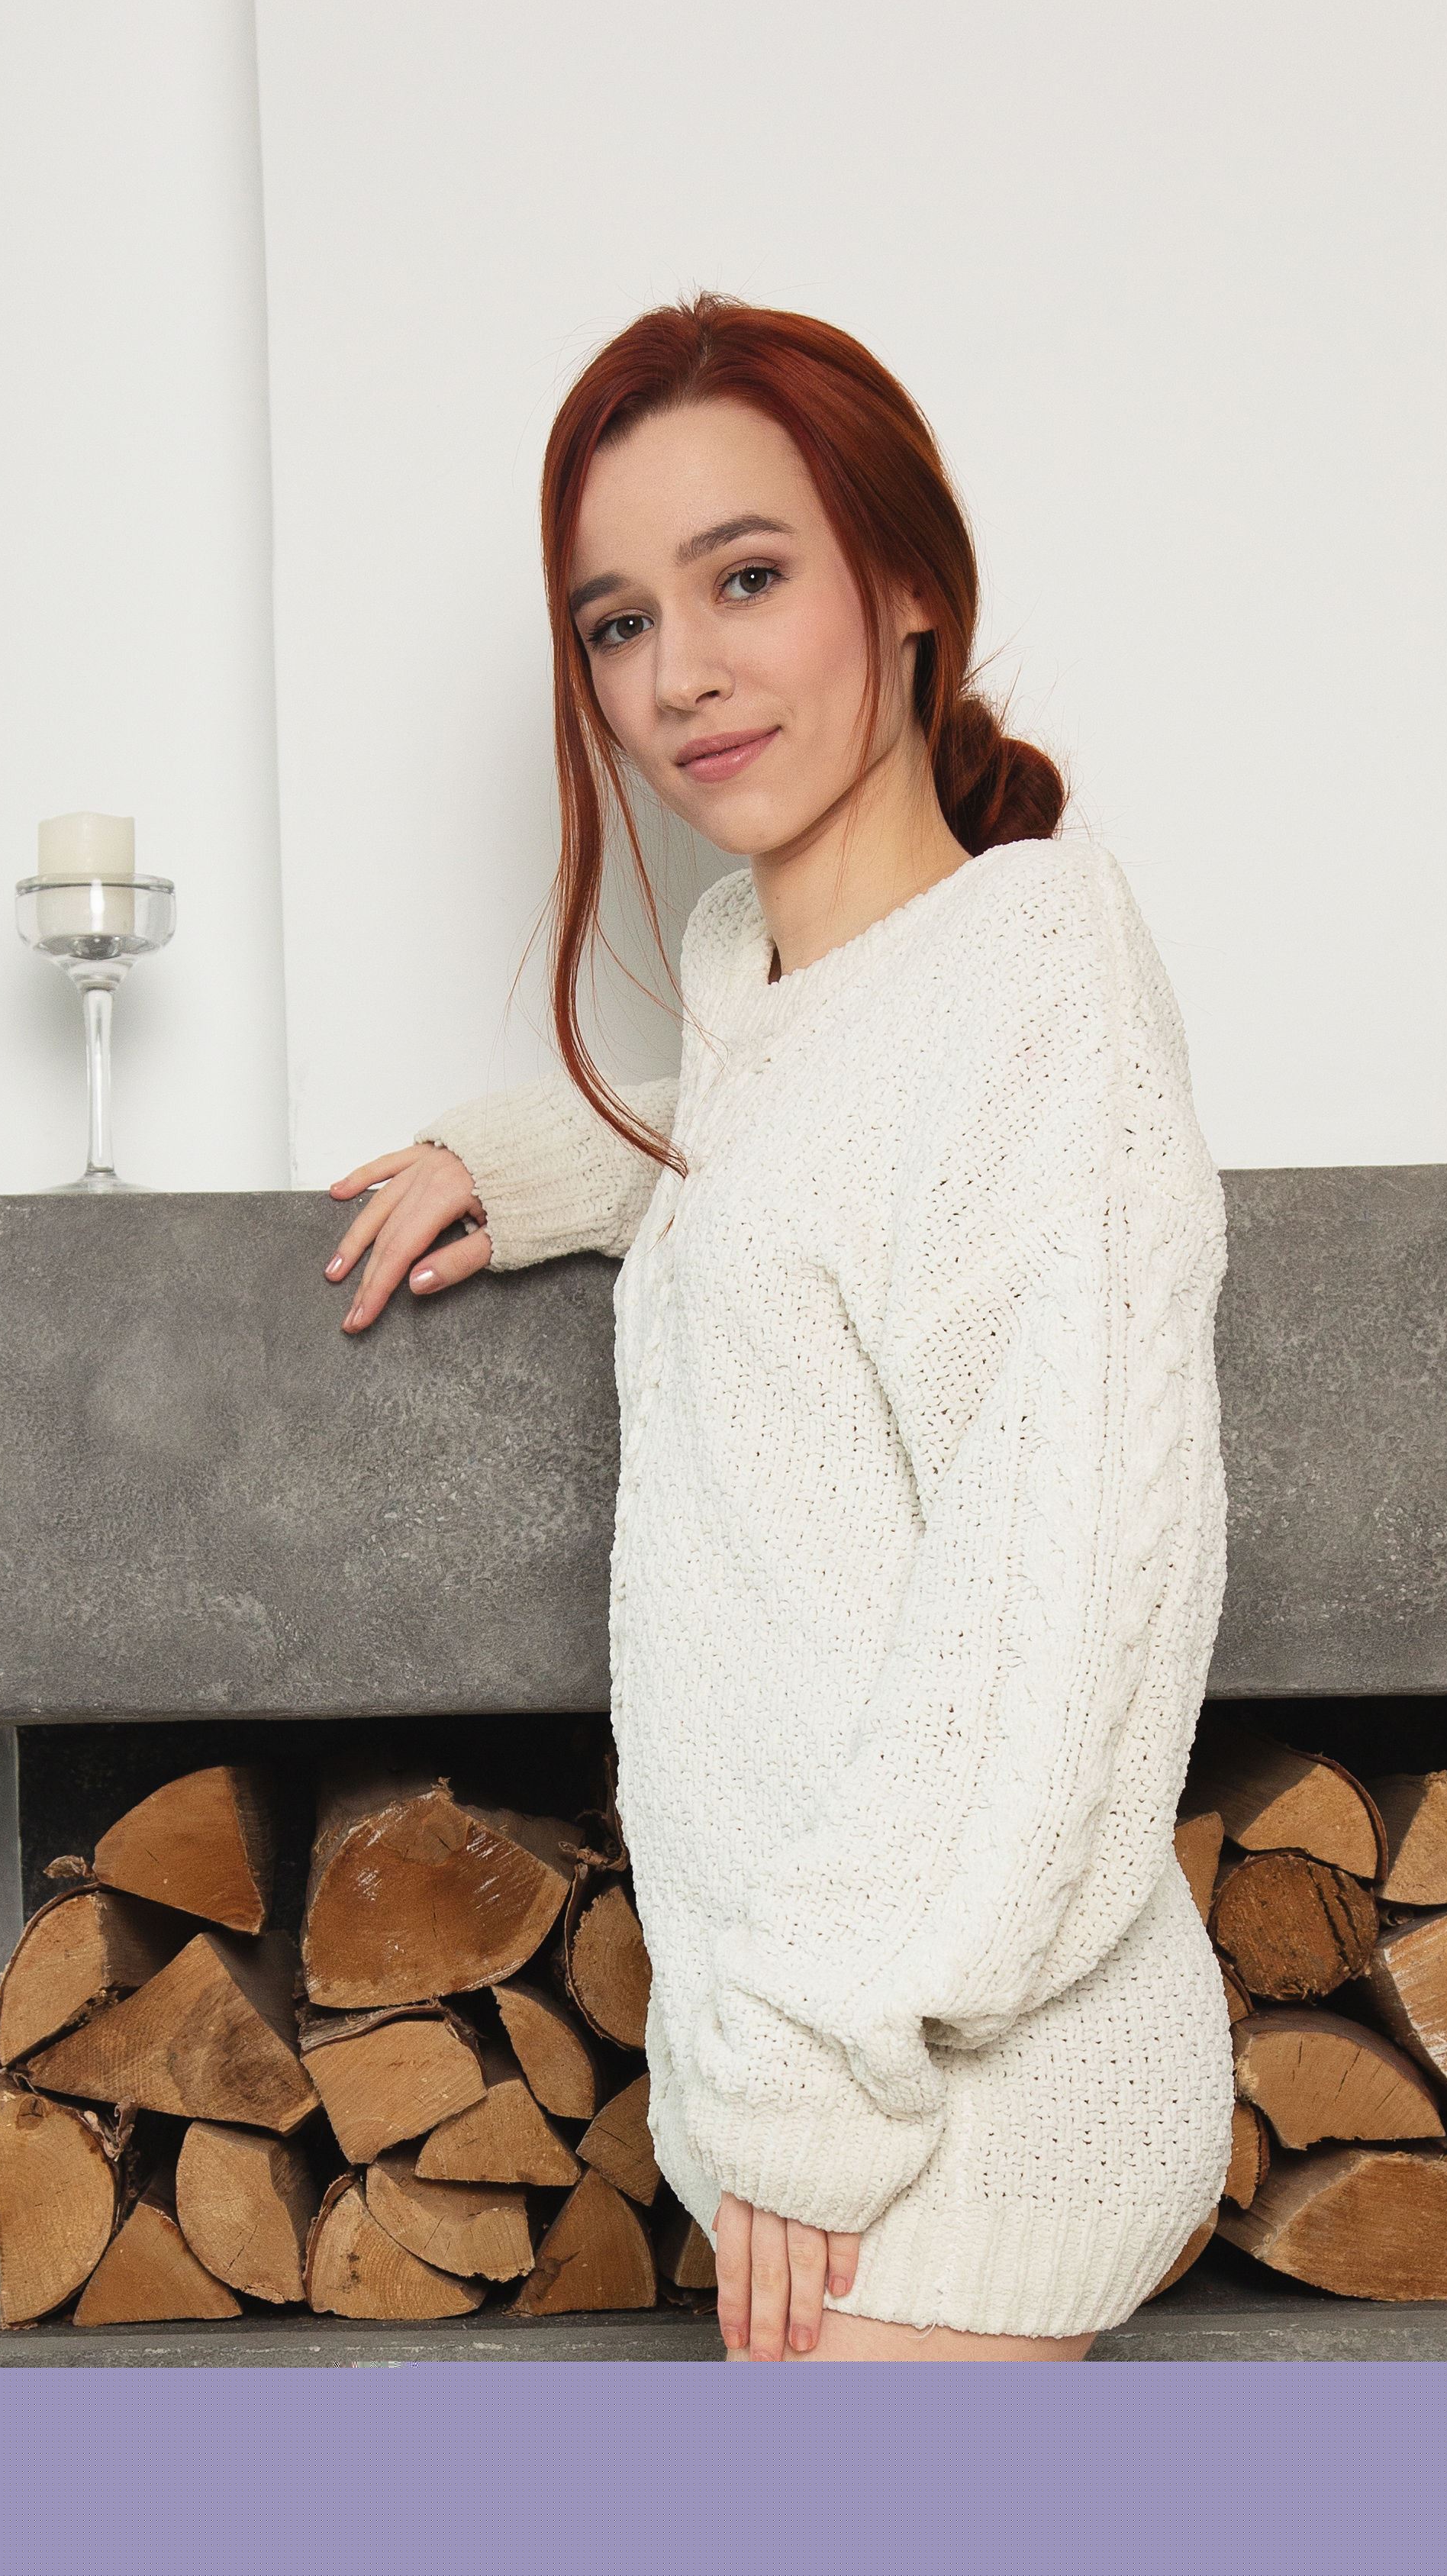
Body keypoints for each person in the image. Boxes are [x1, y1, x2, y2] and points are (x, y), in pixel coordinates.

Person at [322, 295, 1230, 2365]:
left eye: (745, 579)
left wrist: (813, 2078)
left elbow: (1062, 1613)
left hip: (960, 2112)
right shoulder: (770, 977)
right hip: (841, 2099)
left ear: (907, 588)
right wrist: (522, 1161)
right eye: (619, 622)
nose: (681, 675)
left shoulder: (1042, 984)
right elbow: (782, 1129)